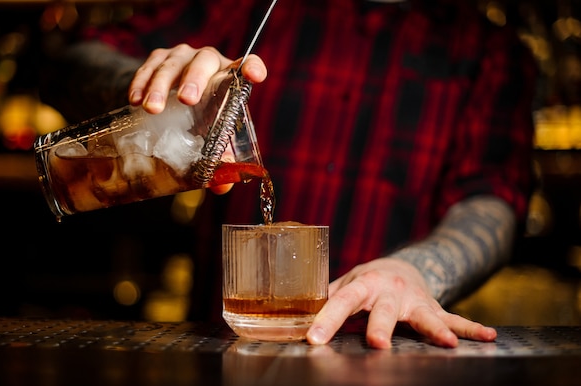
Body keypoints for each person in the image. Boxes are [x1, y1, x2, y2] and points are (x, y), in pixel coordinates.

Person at [40, 0, 538, 348]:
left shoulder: (487, 50)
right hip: (229, 357)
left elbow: (492, 200)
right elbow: (67, 60)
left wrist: (420, 269)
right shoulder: (255, 8)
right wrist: (152, 89)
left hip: (386, 363)